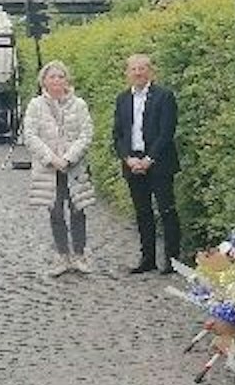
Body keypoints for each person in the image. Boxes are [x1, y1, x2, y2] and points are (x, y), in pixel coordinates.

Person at [22, 60, 97, 276]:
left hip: (74, 168)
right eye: (52, 77)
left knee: (78, 209)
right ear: (44, 81)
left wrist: (69, 158)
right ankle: (62, 255)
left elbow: (86, 134)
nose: (56, 80)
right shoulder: (35, 105)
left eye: (60, 76)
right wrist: (51, 158)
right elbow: (30, 135)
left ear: (67, 80)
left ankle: (80, 254)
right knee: (55, 211)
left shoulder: (79, 104)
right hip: (48, 169)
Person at [111, 53, 181, 274]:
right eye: (133, 69)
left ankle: (172, 259)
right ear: (127, 73)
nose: (138, 73)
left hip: (159, 162)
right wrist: (128, 158)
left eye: (142, 68)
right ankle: (147, 258)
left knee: (166, 210)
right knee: (142, 212)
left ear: (151, 71)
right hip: (133, 162)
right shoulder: (122, 99)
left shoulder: (164, 96)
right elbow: (118, 134)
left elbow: (166, 131)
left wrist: (149, 159)